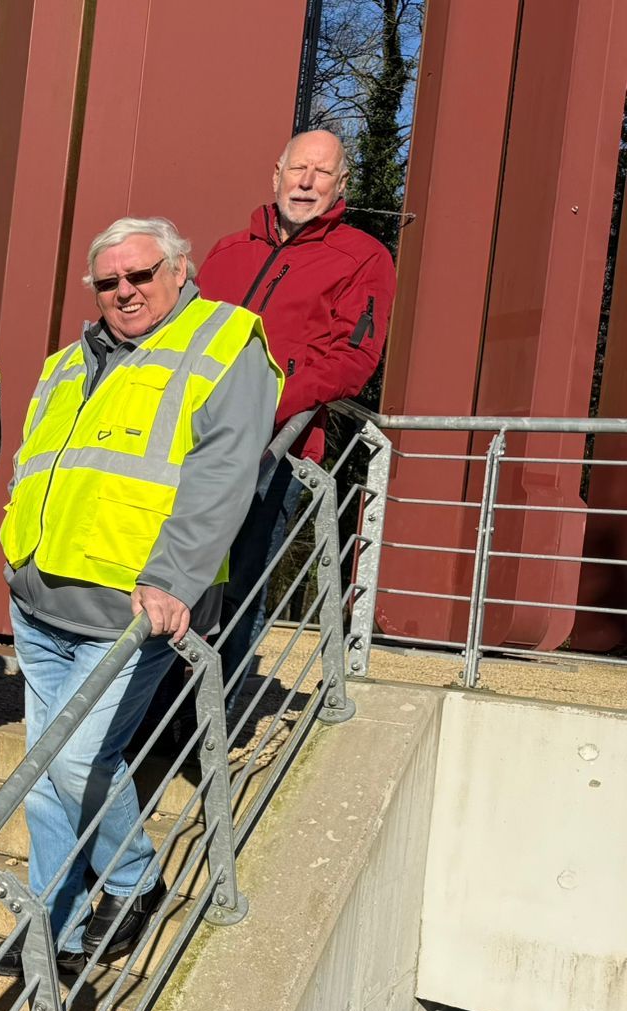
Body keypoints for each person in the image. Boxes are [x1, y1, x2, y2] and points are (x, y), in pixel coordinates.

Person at [0, 217, 280, 978]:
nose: (126, 292)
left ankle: (135, 880)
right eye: (108, 282)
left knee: (79, 760)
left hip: (131, 611)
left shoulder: (225, 343)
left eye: (141, 274)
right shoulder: (69, 361)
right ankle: (56, 928)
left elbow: (223, 478)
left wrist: (174, 579)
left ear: (179, 270)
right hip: (40, 598)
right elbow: (37, 462)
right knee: (43, 774)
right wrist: (16, 547)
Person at [197, 129, 395, 706]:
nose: (306, 183)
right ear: (276, 175)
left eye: (322, 173)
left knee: (240, 585)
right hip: (195, 440)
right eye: (297, 169)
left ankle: (214, 721)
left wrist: (265, 403)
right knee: (174, 576)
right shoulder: (228, 251)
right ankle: (155, 713)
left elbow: (352, 360)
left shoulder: (363, 257)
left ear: (341, 184)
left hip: (275, 447)